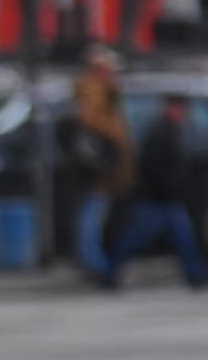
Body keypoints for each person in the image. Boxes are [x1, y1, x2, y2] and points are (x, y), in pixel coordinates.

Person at [101, 91, 208, 289]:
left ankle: (196, 276)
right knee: (134, 241)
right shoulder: (159, 133)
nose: (181, 114)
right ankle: (109, 272)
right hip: (155, 200)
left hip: (168, 200)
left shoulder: (171, 131)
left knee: (186, 240)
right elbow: (155, 168)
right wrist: (174, 185)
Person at [63, 51, 135, 282]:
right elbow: (92, 120)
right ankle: (93, 262)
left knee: (96, 215)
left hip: (107, 167)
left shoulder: (105, 90)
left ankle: (96, 260)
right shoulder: (92, 89)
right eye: (109, 69)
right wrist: (114, 135)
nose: (113, 74)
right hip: (99, 167)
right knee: (92, 214)